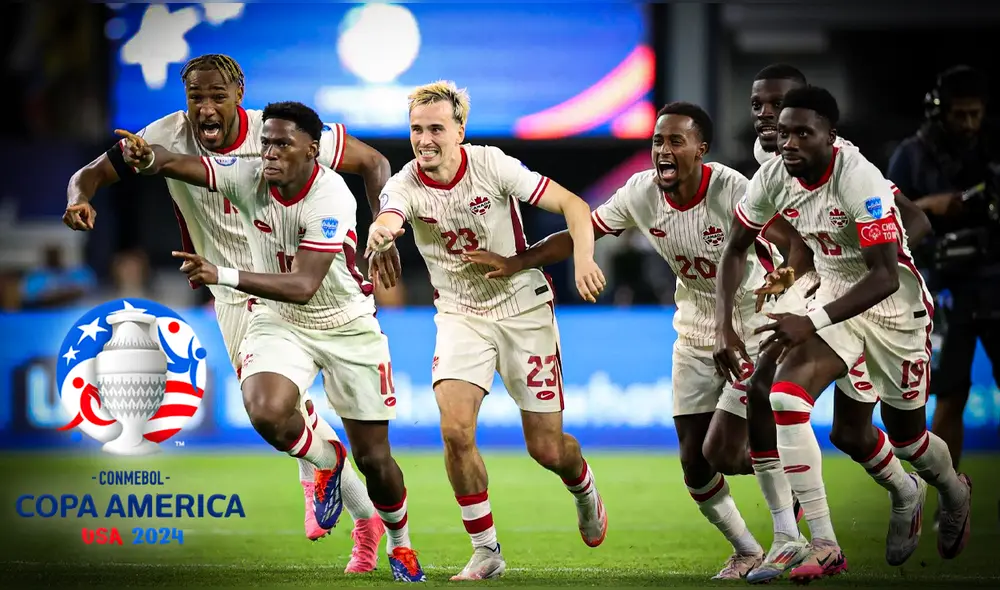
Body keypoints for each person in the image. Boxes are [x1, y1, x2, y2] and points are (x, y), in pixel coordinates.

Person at [62, 54, 392, 567]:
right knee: (277, 417)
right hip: (233, 293)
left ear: (240, 92)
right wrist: (79, 197)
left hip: (295, 279)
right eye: (197, 96)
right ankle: (340, 486)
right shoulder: (164, 134)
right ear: (186, 99)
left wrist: (382, 232)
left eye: (218, 95)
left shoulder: (277, 132)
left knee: (280, 410)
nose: (207, 107)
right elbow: (92, 173)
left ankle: (354, 512)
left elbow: (373, 162)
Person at [461, 101, 812, 580]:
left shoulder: (734, 190)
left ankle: (794, 513)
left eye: (675, 141)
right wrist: (521, 261)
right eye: (657, 142)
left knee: (725, 452)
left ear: (701, 150)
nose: (662, 151)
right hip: (691, 331)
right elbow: (583, 229)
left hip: (750, 325)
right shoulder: (640, 192)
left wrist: (789, 275)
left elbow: (794, 241)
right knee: (694, 464)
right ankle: (747, 549)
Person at [117, 101, 426, 582]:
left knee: (376, 460)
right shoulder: (247, 175)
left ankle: (399, 542)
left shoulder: (332, 197)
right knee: (264, 408)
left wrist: (222, 273)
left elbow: (304, 284)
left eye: (283, 144)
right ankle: (324, 459)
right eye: (266, 144)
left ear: (313, 150)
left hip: (346, 324)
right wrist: (146, 158)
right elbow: (182, 164)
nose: (271, 153)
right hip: (280, 321)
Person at [715, 85, 972, 584]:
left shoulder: (861, 179)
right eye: (783, 132)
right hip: (835, 298)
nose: (788, 142)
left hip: (893, 310)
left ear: (831, 137)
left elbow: (882, 274)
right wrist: (725, 326)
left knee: (908, 439)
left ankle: (950, 492)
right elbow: (734, 247)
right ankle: (825, 544)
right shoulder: (771, 176)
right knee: (786, 399)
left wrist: (808, 320)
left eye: (802, 133)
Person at [365, 80, 607, 581]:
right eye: (416, 129)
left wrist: (583, 258)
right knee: (454, 430)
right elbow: (388, 217)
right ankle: (486, 550)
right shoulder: (405, 184)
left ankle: (583, 487)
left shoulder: (492, 164)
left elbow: (575, 207)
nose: (424, 139)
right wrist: (381, 235)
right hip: (460, 315)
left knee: (546, 448)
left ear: (460, 131)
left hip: (524, 311)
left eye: (436, 128)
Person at [888, 65, 1000, 485]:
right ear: (939, 111)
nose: (969, 123)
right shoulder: (911, 154)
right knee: (950, 395)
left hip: (994, 278)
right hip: (945, 285)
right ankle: (948, 496)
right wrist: (932, 205)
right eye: (960, 114)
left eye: (976, 114)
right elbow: (885, 215)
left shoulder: (993, 145)